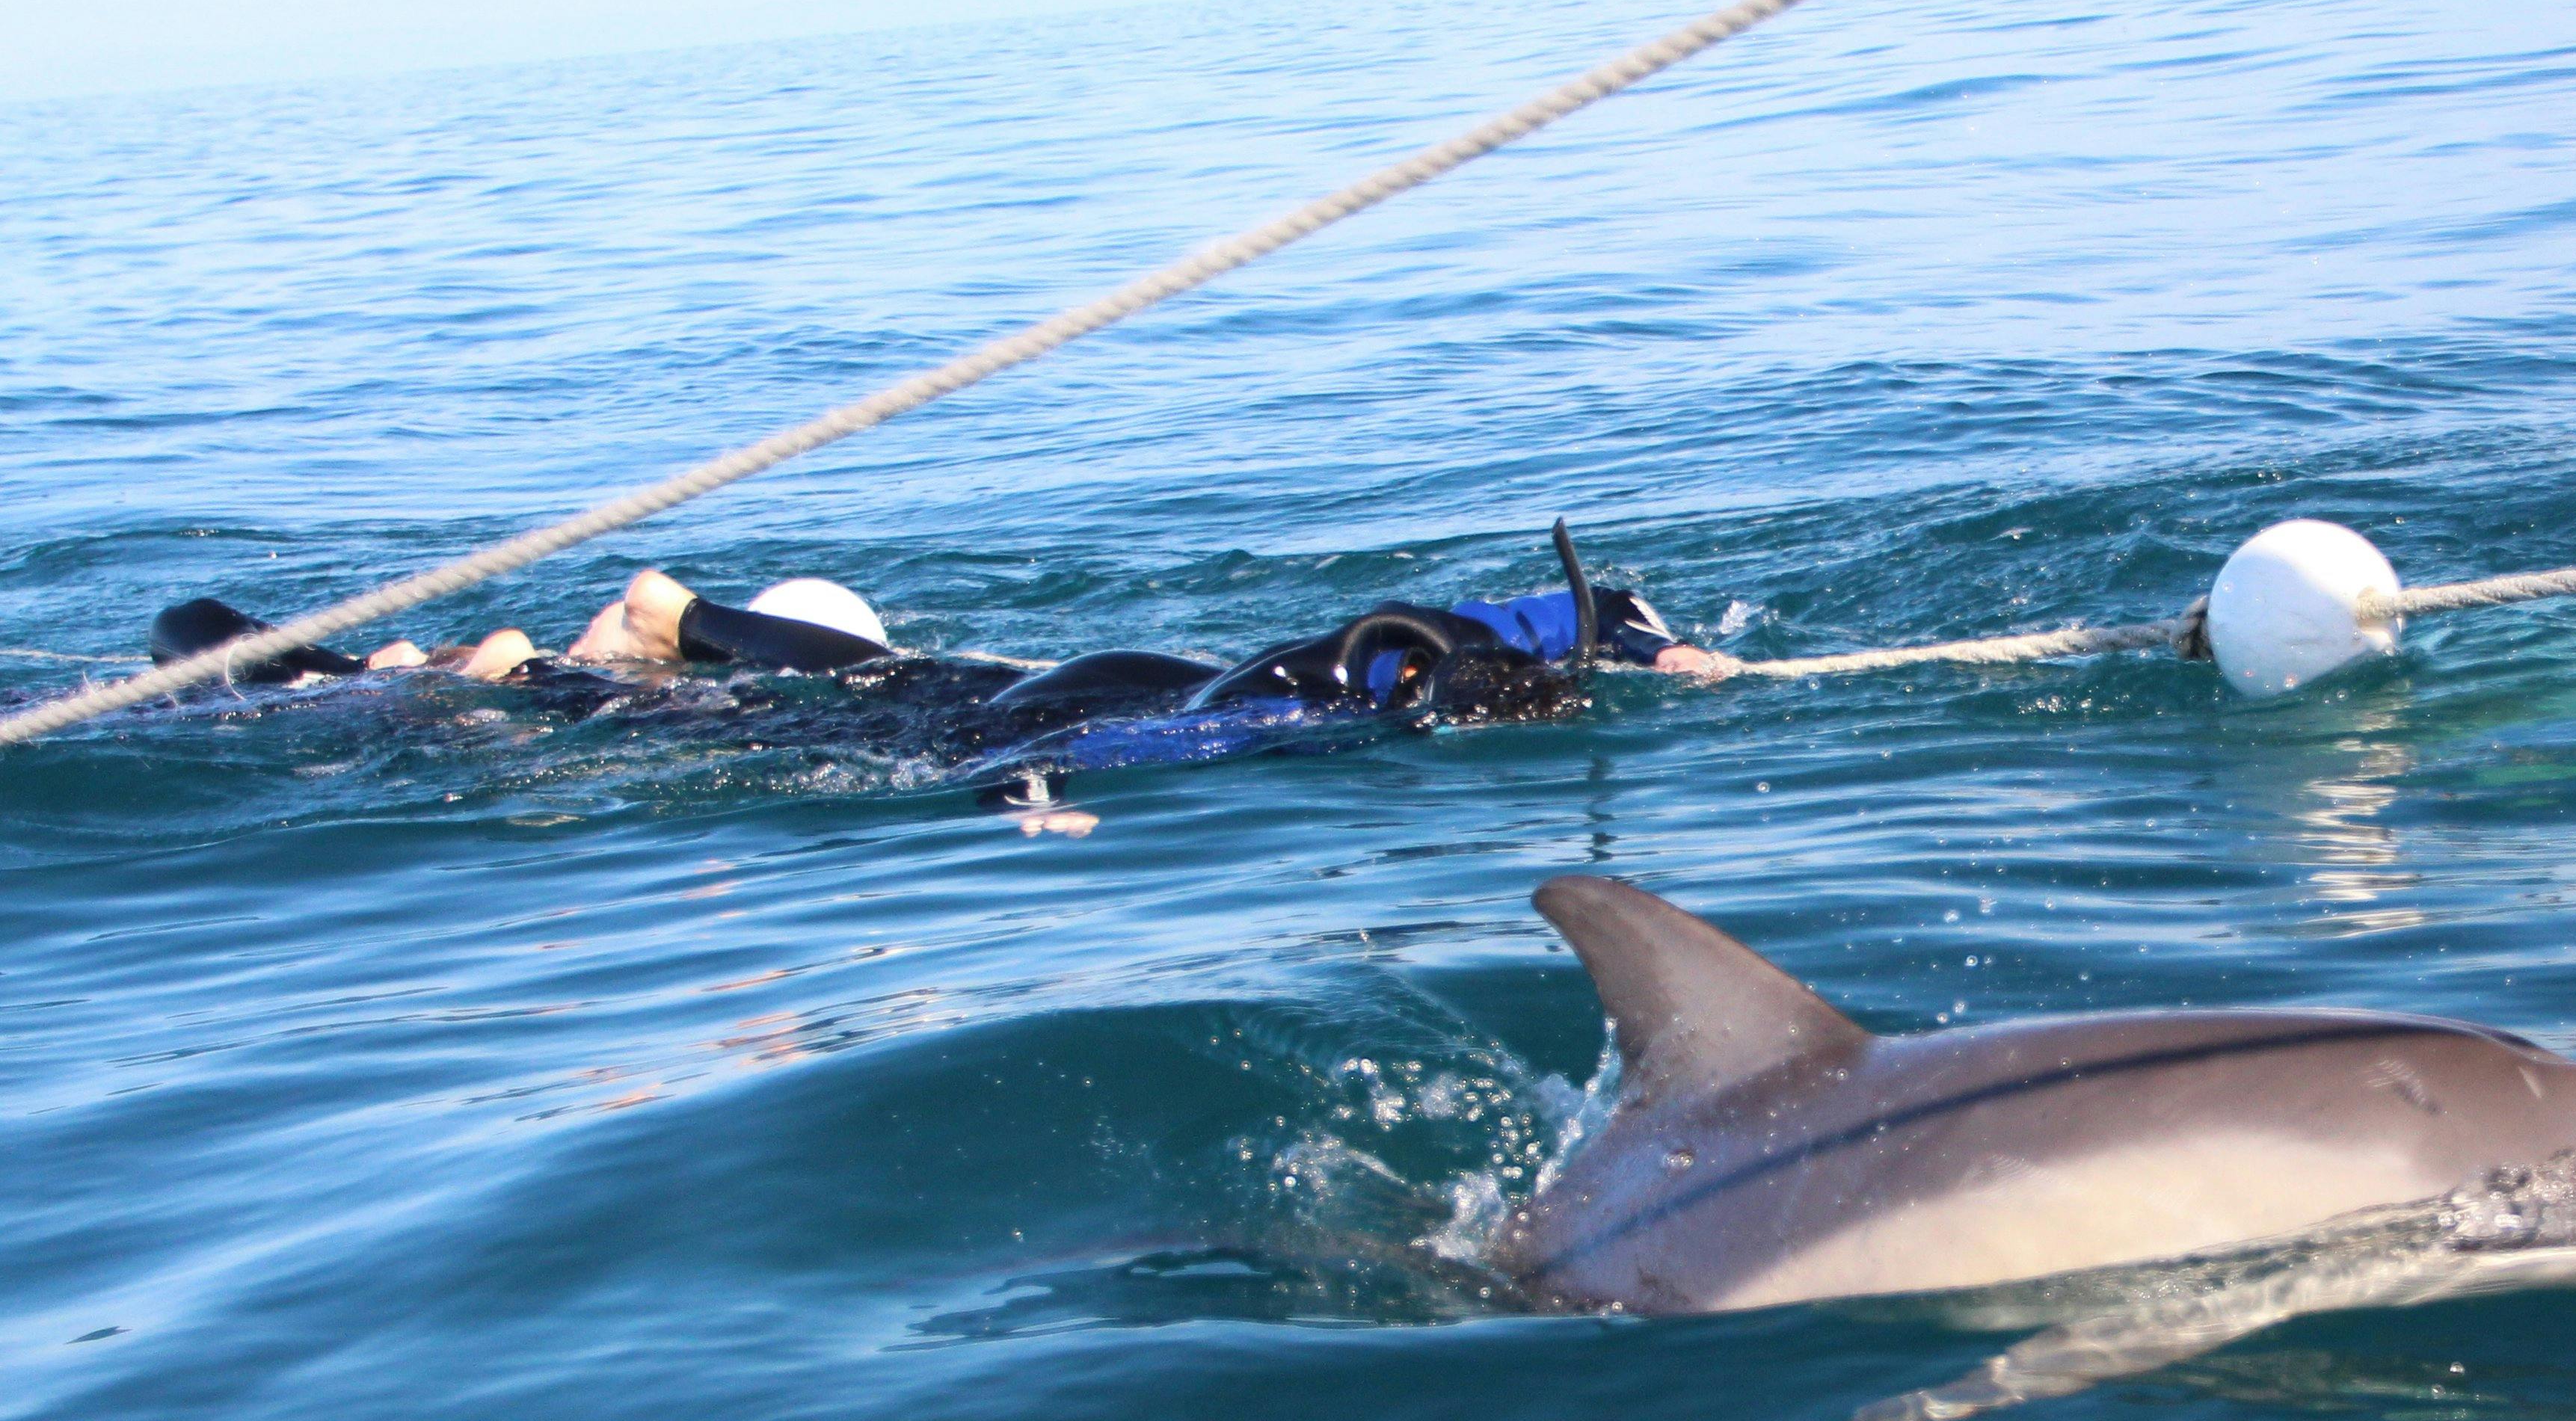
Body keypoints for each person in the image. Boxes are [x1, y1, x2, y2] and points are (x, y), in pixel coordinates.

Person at [142, 523, 1725, 810]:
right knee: (766, 707)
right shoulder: (1327, 716)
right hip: (1023, 705)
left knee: (832, 694)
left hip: (1042, 684)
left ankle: (503, 668)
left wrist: (1649, 643)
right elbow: (1020, 765)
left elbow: (1553, 611)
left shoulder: (1342, 683)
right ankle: (551, 661)